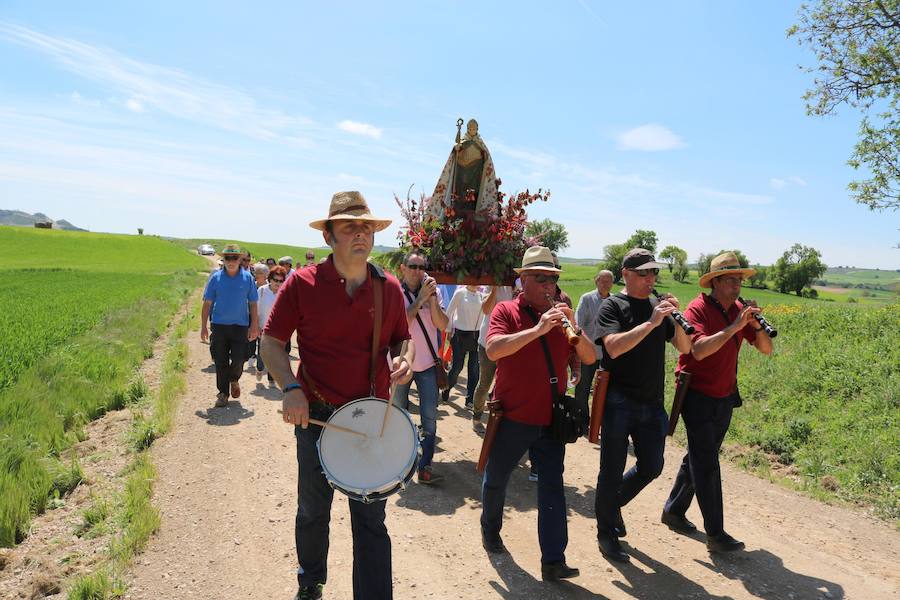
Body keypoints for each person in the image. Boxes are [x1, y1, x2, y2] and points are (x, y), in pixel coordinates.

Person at [260, 191, 414, 600]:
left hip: (370, 422)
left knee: (370, 520)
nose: (360, 233)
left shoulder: (389, 288)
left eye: (366, 226)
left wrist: (404, 360)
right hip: (316, 418)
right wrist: (290, 388)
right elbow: (271, 343)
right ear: (330, 236)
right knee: (313, 511)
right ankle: (311, 583)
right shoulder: (302, 283)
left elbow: (403, 341)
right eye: (349, 226)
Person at [480, 246, 596, 581]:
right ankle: (490, 528)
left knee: (551, 486)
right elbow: (494, 349)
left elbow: (588, 357)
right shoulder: (506, 310)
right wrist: (538, 330)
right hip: (514, 416)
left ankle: (553, 559)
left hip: (551, 419)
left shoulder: (563, 314)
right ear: (524, 280)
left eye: (553, 278)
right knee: (497, 478)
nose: (549, 285)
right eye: (541, 278)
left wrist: (573, 328)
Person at [662, 252, 773, 553]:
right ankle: (716, 533)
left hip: (725, 395)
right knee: (707, 462)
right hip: (696, 394)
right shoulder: (698, 308)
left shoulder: (739, 310)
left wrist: (757, 325)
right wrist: (736, 327)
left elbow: (766, 349)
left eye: (740, 280)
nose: (738, 285)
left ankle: (673, 510)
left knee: (699, 456)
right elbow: (698, 350)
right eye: (731, 280)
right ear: (715, 282)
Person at [593, 248, 692, 563]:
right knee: (610, 470)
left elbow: (685, 347)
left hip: (652, 403)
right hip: (618, 402)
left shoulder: (657, 307)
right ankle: (606, 533)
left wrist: (676, 319)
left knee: (652, 465)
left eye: (654, 273)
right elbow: (613, 347)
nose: (650, 279)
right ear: (625, 274)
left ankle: (610, 507)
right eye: (643, 273)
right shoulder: (613, 306)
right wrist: (651, 322)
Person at [391, 250, 449, 484]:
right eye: (412, 266)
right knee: (397, 414)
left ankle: (425, 466)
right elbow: (401, 322)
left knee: (430, 417)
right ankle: (401, 462)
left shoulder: (433, 293)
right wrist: (419, 300)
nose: (417, 271)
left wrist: (432, 299)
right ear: (402, 269)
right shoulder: (394, 292)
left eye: (421, 266)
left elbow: (442, 324)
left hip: (427, 365)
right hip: (400, 364)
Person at [200, 244, 259, 408]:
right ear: (223, 259)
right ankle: (223, 393)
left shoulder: (247, 278)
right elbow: (207, 303)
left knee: (239, 359)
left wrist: (254, 325)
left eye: (235, 258)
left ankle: (234, 379)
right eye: (228, 258)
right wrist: (204, 326)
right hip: (219, 326)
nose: (231, 261)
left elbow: (253, 304)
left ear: (240, 259)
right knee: (220, 360)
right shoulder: (216, 278)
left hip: (240, 326)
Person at [573, 269, 614, 424]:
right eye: (602, 281)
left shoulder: (615, 301)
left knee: (605, 391)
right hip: (587, 353)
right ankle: (582, 421)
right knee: (583, 388)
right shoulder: (587, 299)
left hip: (608, 356)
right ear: (596, 281)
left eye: (609, 281)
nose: (606, 284)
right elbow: (578, 325)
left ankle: (600, 421)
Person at [471, 285, 513, 431]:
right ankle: (477, 416)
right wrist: (495, 289)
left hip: (508, 344)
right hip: (487, 343)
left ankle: (500, 419)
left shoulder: (518, 286)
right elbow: (486, 309)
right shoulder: (490, 287)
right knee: (485, 383)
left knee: (505, 384)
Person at [442, 285, 484, 408]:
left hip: (476, 336)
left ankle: (470, 398)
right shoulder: (460, 292)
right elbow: (449, 312)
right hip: (460, 335)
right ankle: (447, 387)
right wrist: (449, 330)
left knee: (474, 368)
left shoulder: (481, 296)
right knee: (457, 367)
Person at [254, 265, 286, 383]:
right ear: (270, 279)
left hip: (277, 330)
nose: (278, 283)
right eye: (275, 280)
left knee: (275, 354)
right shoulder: (262, 291)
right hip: (262, 328)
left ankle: (272, 378)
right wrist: (256, 326)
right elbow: (256, 310)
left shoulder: (285, 293)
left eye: (281, 281)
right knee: (262, 353)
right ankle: (259, 368)